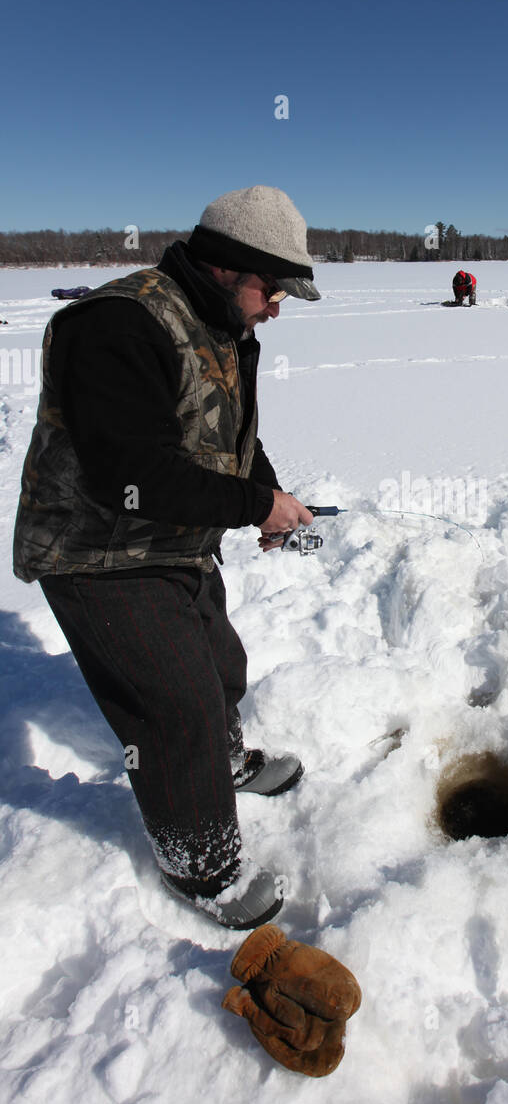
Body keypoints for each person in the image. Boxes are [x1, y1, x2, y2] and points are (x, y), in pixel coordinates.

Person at [13, 185, 322, 930]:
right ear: (225, 266)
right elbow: (131, 478)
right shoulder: (117, 325)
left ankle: (220, 761)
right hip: (94, 552)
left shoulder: (225, 325)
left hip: (171, 541)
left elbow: (227, 433)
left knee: (221, 668)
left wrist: (267, 493)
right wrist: (253, 507)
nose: (276, 306)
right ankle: (203, 863)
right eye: (272, 288)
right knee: (175, 705)